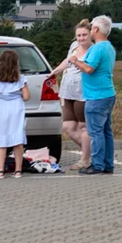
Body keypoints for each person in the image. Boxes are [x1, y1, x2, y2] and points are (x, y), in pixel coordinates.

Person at [70, 15, 117, 175]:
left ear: (96, 29)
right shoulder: (109, 47)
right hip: (108, 93)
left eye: (91, 28)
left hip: (96, 96)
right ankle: (108, 164)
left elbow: (89, 68)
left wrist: (75, 60)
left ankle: (97, 164)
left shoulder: (97, 48)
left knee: (96, 132)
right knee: (105, 131)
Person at [48, 20, 93, 170]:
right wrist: (55, 71)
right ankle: (95, 152)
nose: (81, 38)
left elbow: (89, 69)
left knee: (83, 126)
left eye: (84, 35)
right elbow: (67, 61)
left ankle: (85, 158)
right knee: (68, 126)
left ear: (90, 34)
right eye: (79, 35)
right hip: (67, 91)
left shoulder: (94, 50)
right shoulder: (74, 46)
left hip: (82, 91)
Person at [0, 49, 30, 179]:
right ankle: (18, 170)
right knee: (17, 138)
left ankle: (0, 171)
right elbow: (26, 97)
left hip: (1, 109)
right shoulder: (21, 79)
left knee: (1, 139)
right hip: (16, 108)